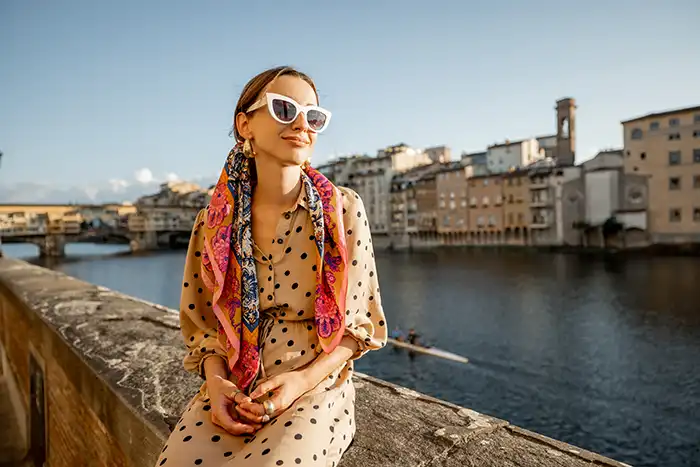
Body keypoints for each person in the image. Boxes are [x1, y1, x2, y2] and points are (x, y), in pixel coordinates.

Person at [156, 66, 388, 467]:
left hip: (315, 386)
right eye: (284, 108)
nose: (302, 124)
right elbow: (204, 327)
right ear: (244, 124)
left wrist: (301, 381)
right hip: (235, 385)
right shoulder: (212, 224)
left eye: (313, 116)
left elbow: (358, 328)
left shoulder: (343, 210)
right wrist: (215, 384)